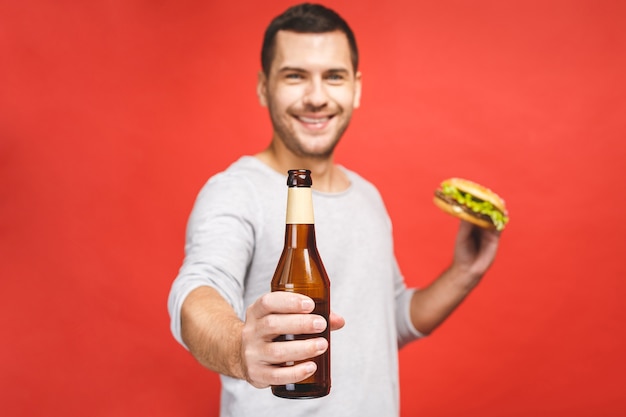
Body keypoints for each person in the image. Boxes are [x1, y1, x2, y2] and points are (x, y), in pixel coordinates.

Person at [168, 3, 501, 416]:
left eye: (334, 76)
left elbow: (387, 320)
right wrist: (239, 349)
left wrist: (464, 272)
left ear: (356, 88)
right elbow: (198, 293)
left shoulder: (368, 197)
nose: (316, 97)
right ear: (262, 86)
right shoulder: (236, 191)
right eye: (295, 76)